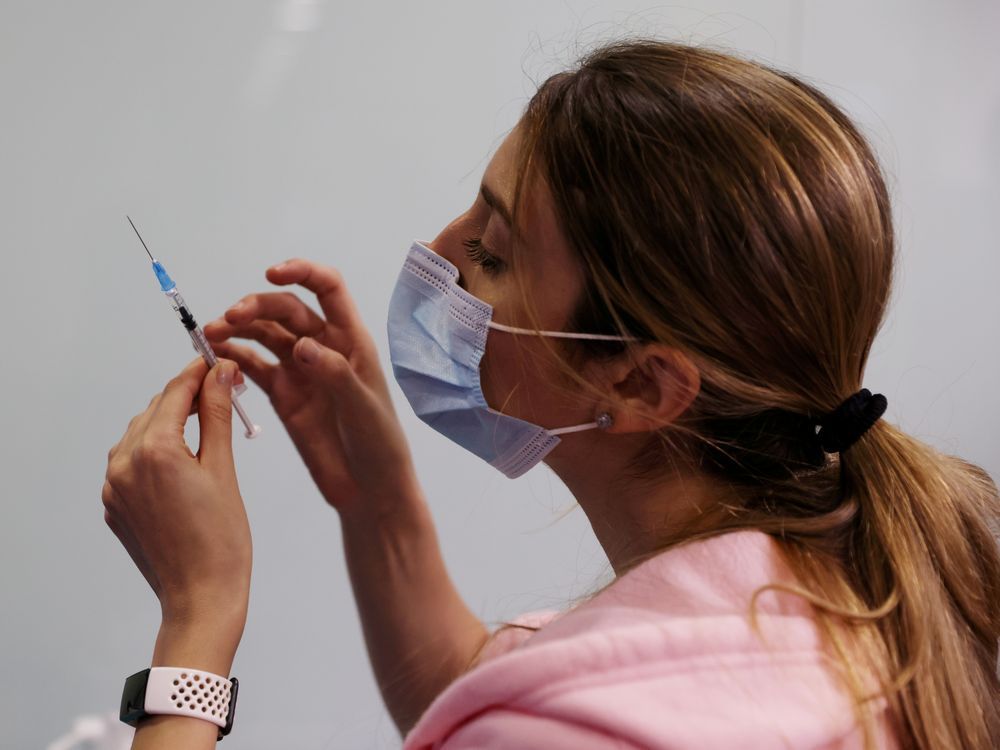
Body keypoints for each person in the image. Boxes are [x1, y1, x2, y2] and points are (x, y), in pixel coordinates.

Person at [101, 39, 1000, 749]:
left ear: (645, 382)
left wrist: (199, 614)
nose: (440, 252)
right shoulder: (841, 587)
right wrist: (371, 495)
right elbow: (476, 699)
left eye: (492, 255)